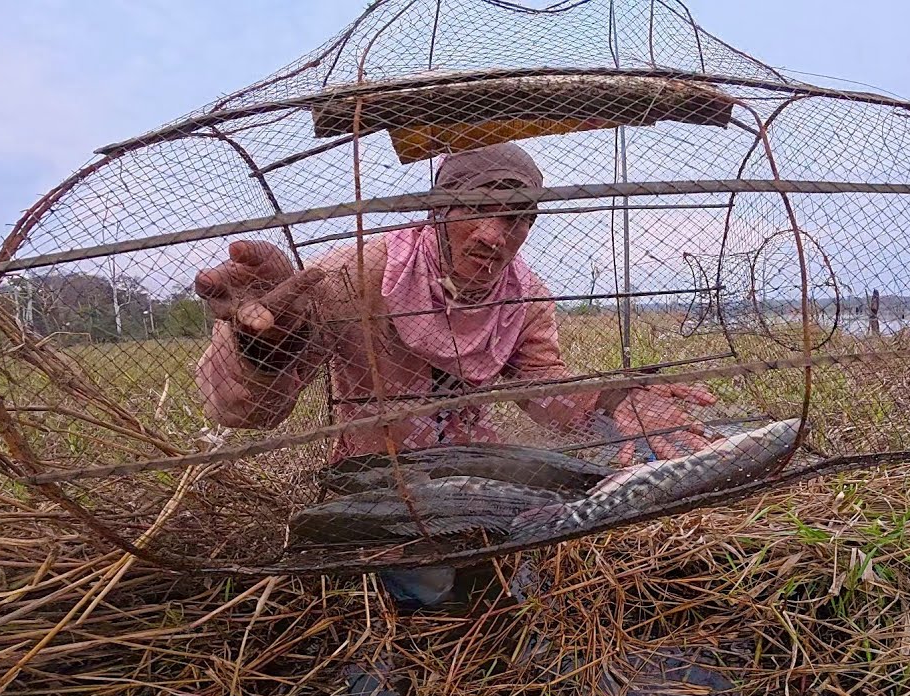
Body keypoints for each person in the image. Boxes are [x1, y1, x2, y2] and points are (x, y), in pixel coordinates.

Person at [193, 142, 717, 607]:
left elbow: (542, 388)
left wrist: (613, 400)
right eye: (477, 209)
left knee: (522, 573)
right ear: (438, 210)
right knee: (432, 594)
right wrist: (266, 341)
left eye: (517, 218)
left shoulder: (524, 295)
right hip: (380, 480)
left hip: (480, 472)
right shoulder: (356, 273)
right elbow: (247, 410)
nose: (495, 236)